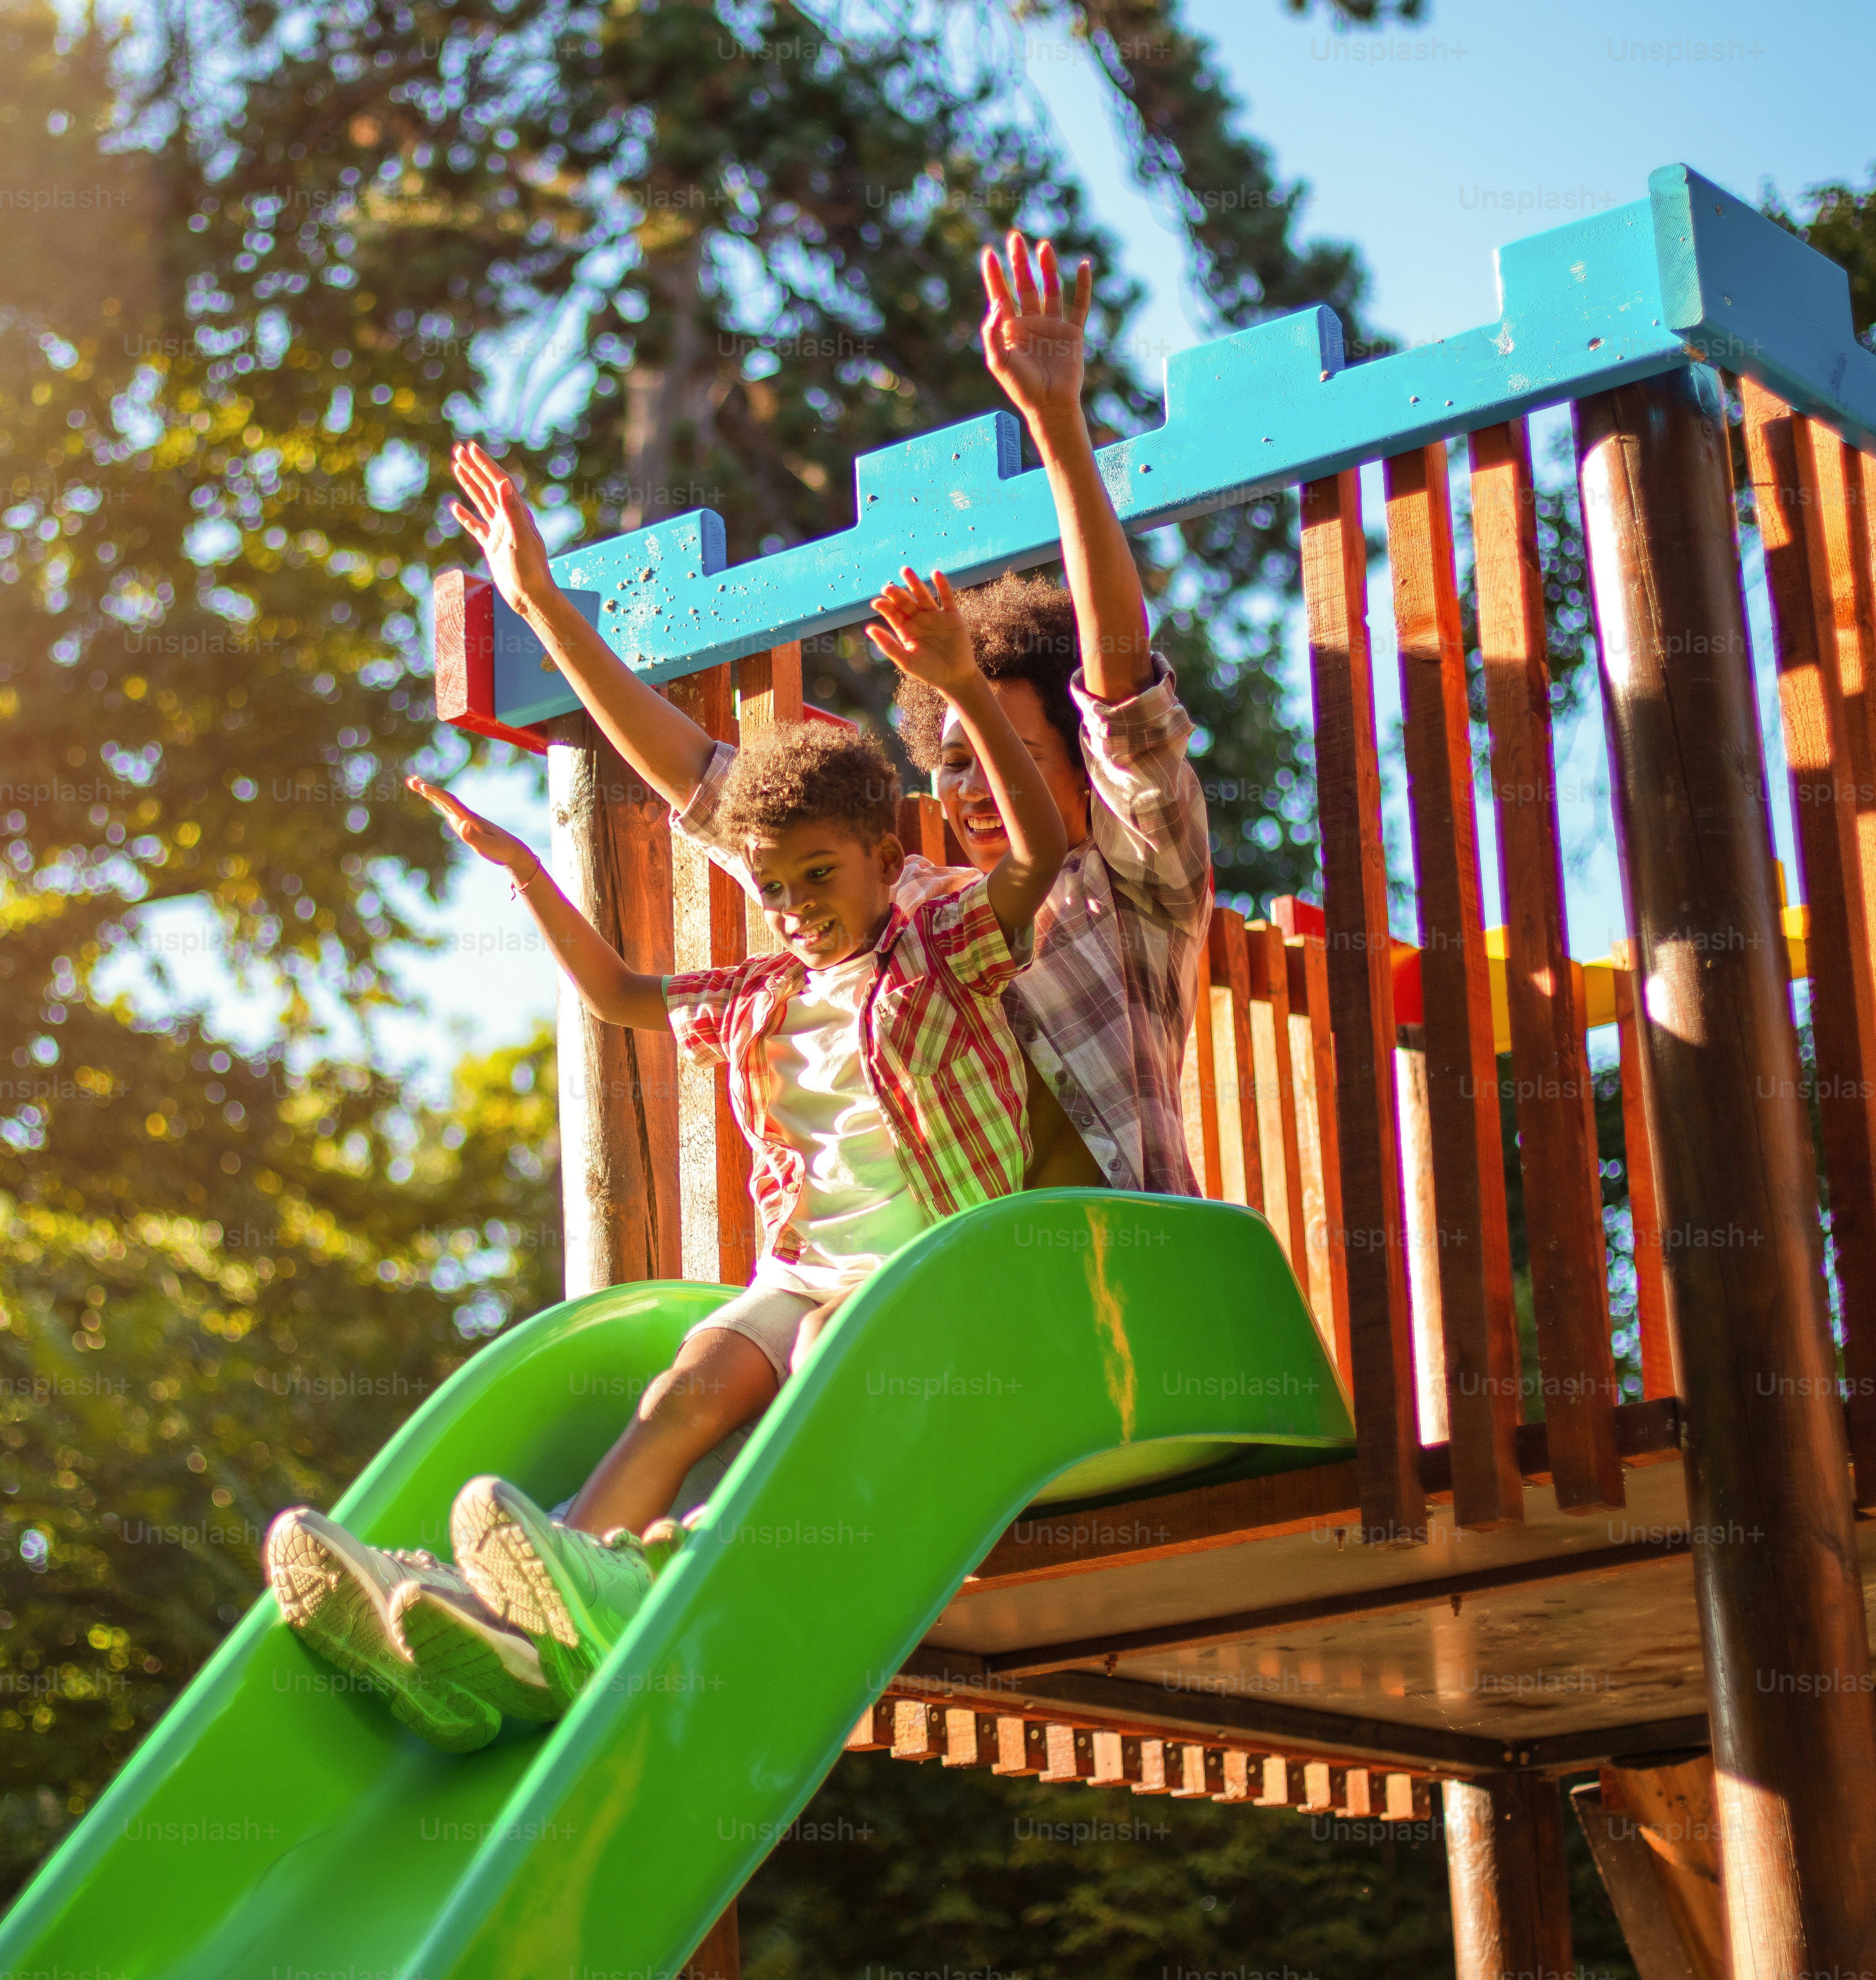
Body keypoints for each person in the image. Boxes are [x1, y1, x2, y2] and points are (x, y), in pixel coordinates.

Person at [263, 566, 1068, 1750]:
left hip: (930, 1273)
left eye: (819, 878)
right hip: (809, 1273)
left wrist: (965, 692)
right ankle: (508, 1629)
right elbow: (618, 992)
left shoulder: (942, 942)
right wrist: (529, 877)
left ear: (884, 853)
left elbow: (1037, 855)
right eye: (775, 888)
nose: (795, 908)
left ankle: (661, 1574)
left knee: (836, 1362)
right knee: (687, 1387)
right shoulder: (761, 998)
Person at [447, 229, 1213, 1202]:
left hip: (1118, 1267)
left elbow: (1120, 688)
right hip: (955, 1290)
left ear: (1078, 760)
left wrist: (1059, 426)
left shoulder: (1131, 885)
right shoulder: (906, 914)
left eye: (1005, 752)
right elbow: (702, 782)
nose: (973, 783)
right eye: (955, 761)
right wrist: (545, 611)